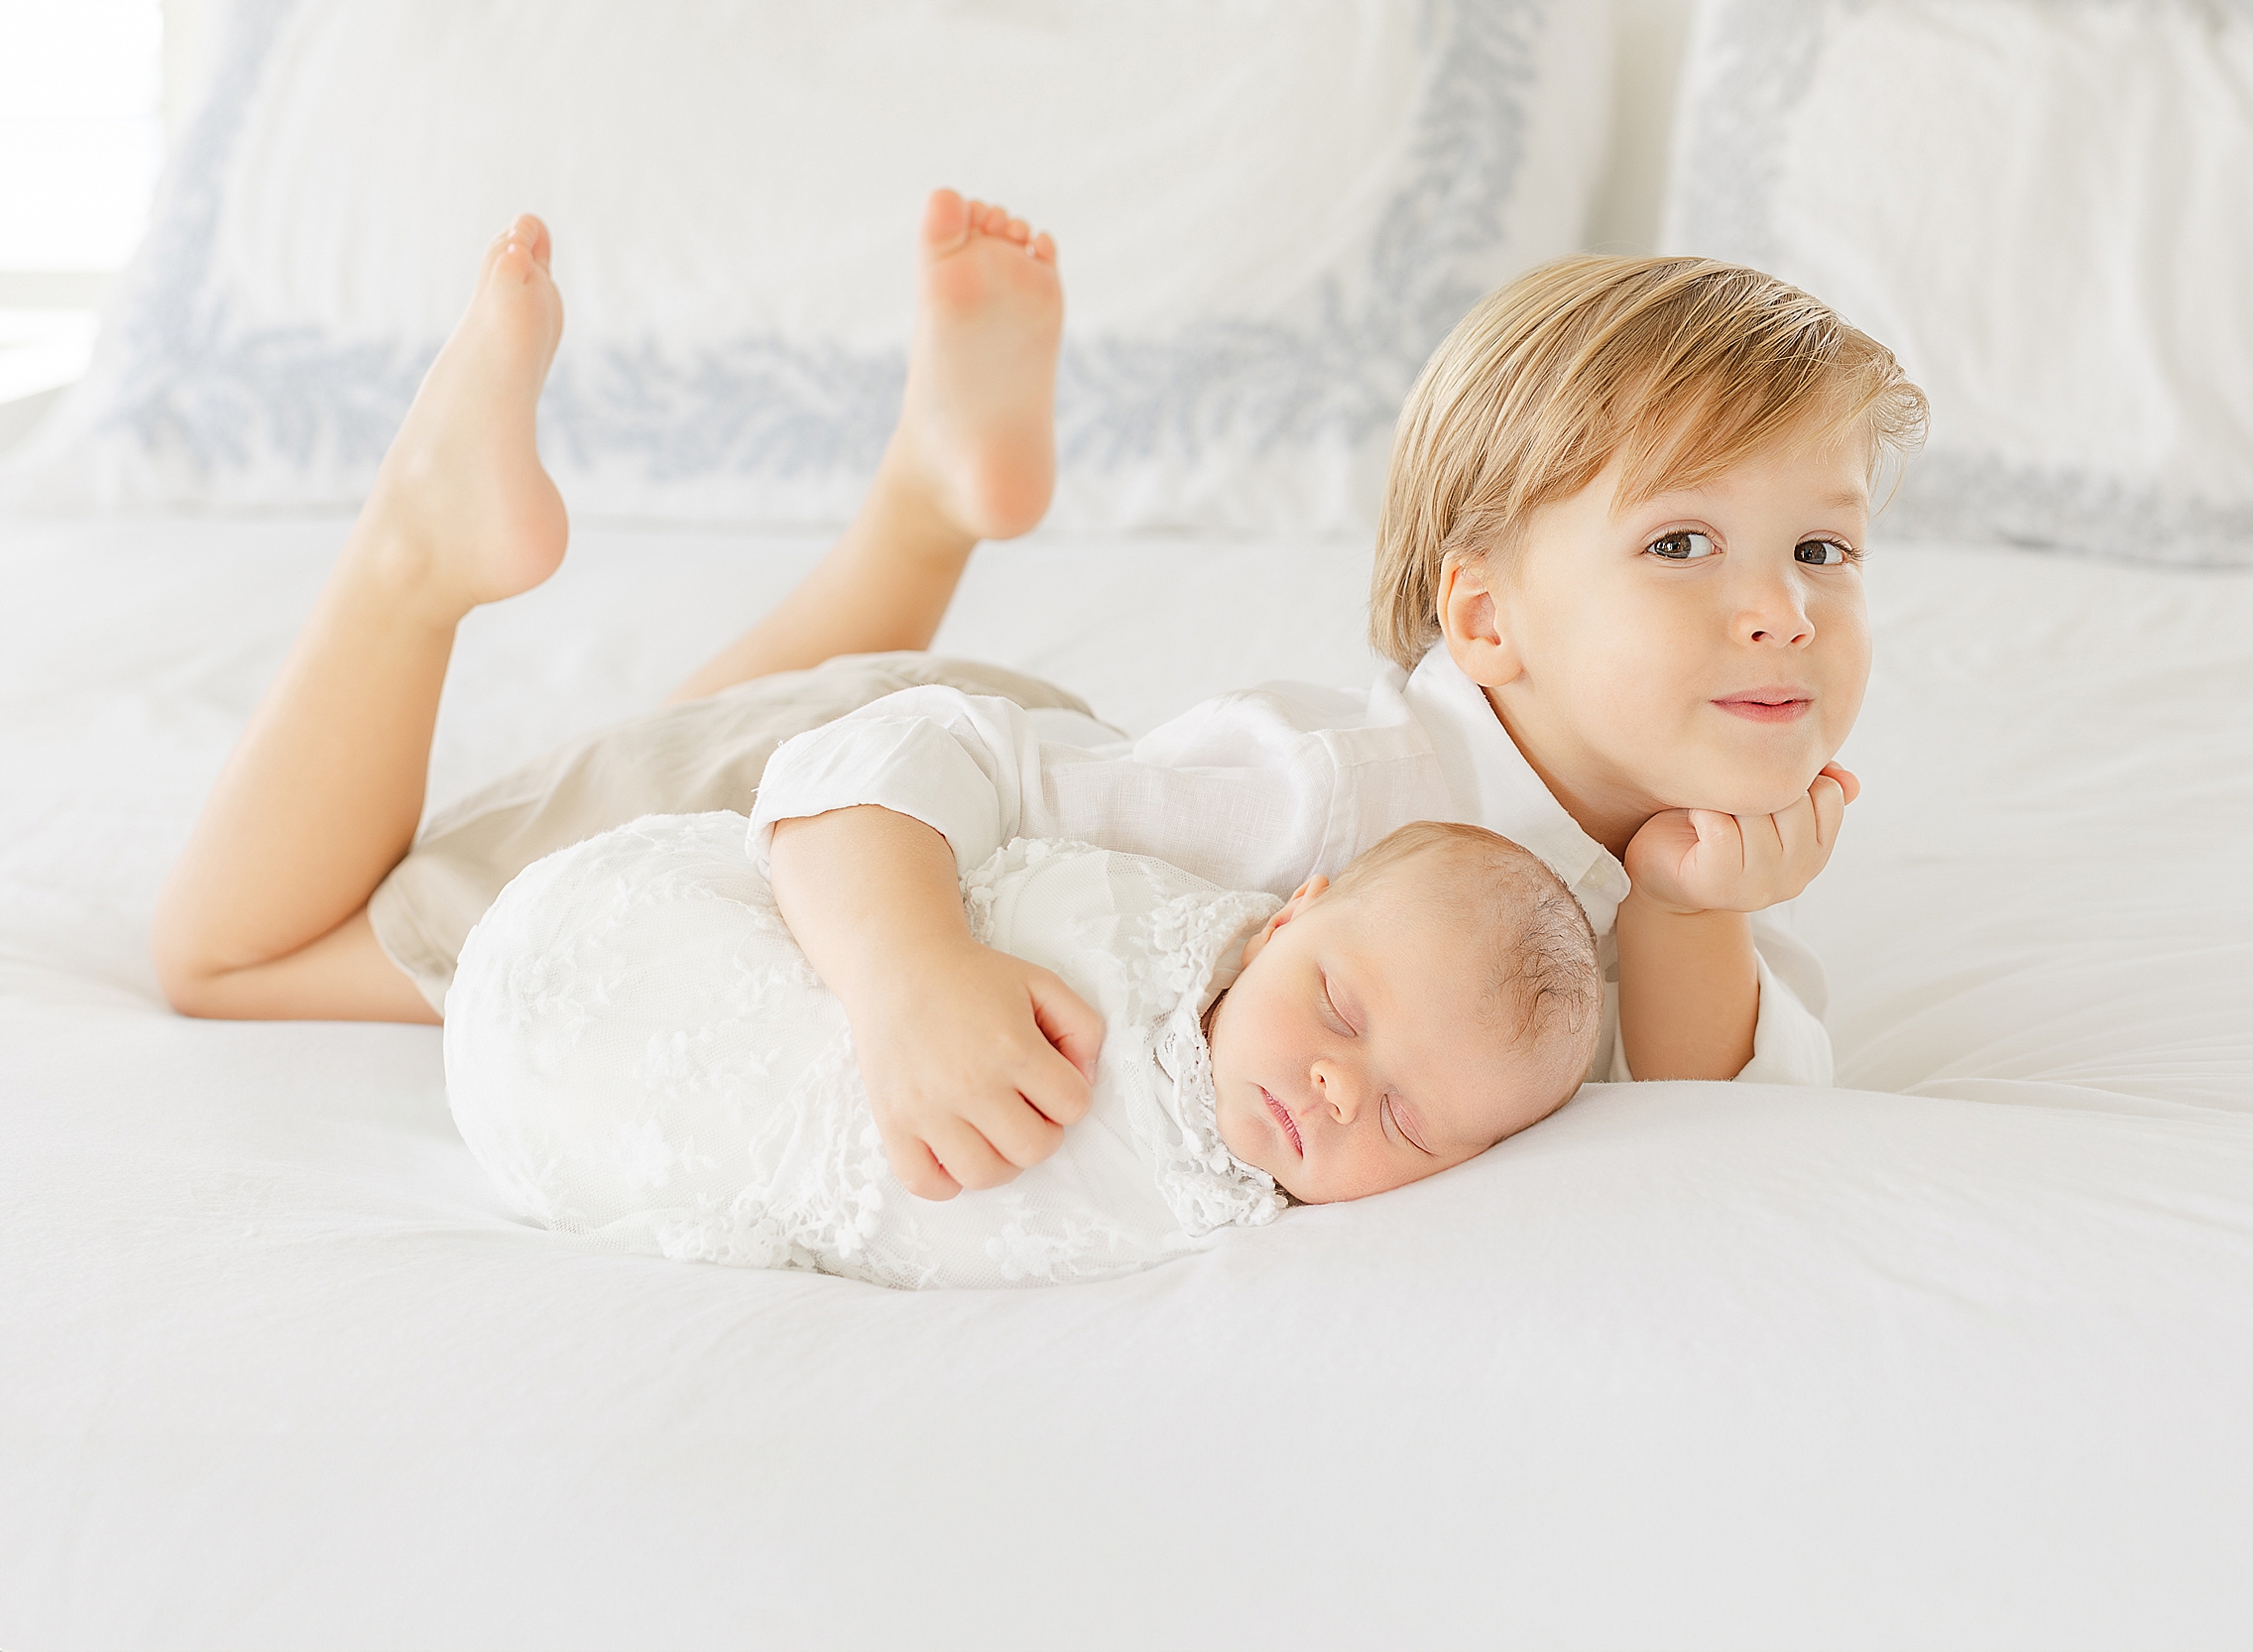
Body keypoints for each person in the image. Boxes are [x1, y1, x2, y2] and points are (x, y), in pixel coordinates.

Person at [153, 187, 1927, 1203]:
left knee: (738, 727)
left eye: (1824, 555)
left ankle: (927, 500)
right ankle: (417, 553)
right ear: (1484, 615)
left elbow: (1707, 1137)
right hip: (865, 798)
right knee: (234, 961)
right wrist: (904, 974)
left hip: (988, 779)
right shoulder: (1335, 795)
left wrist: (1698, 908)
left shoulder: (1710, 897)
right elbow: (864, 759)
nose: (1779, 614)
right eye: (1686, 545)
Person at [443, 816, 1600, 1287]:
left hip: (642, 1155)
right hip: (675, 954)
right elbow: (982, 874)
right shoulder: (1135, 922)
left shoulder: (1248, 1238)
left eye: (1405, 1123)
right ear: (1291, 916)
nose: (1340, 1086)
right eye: (1337, 1007)